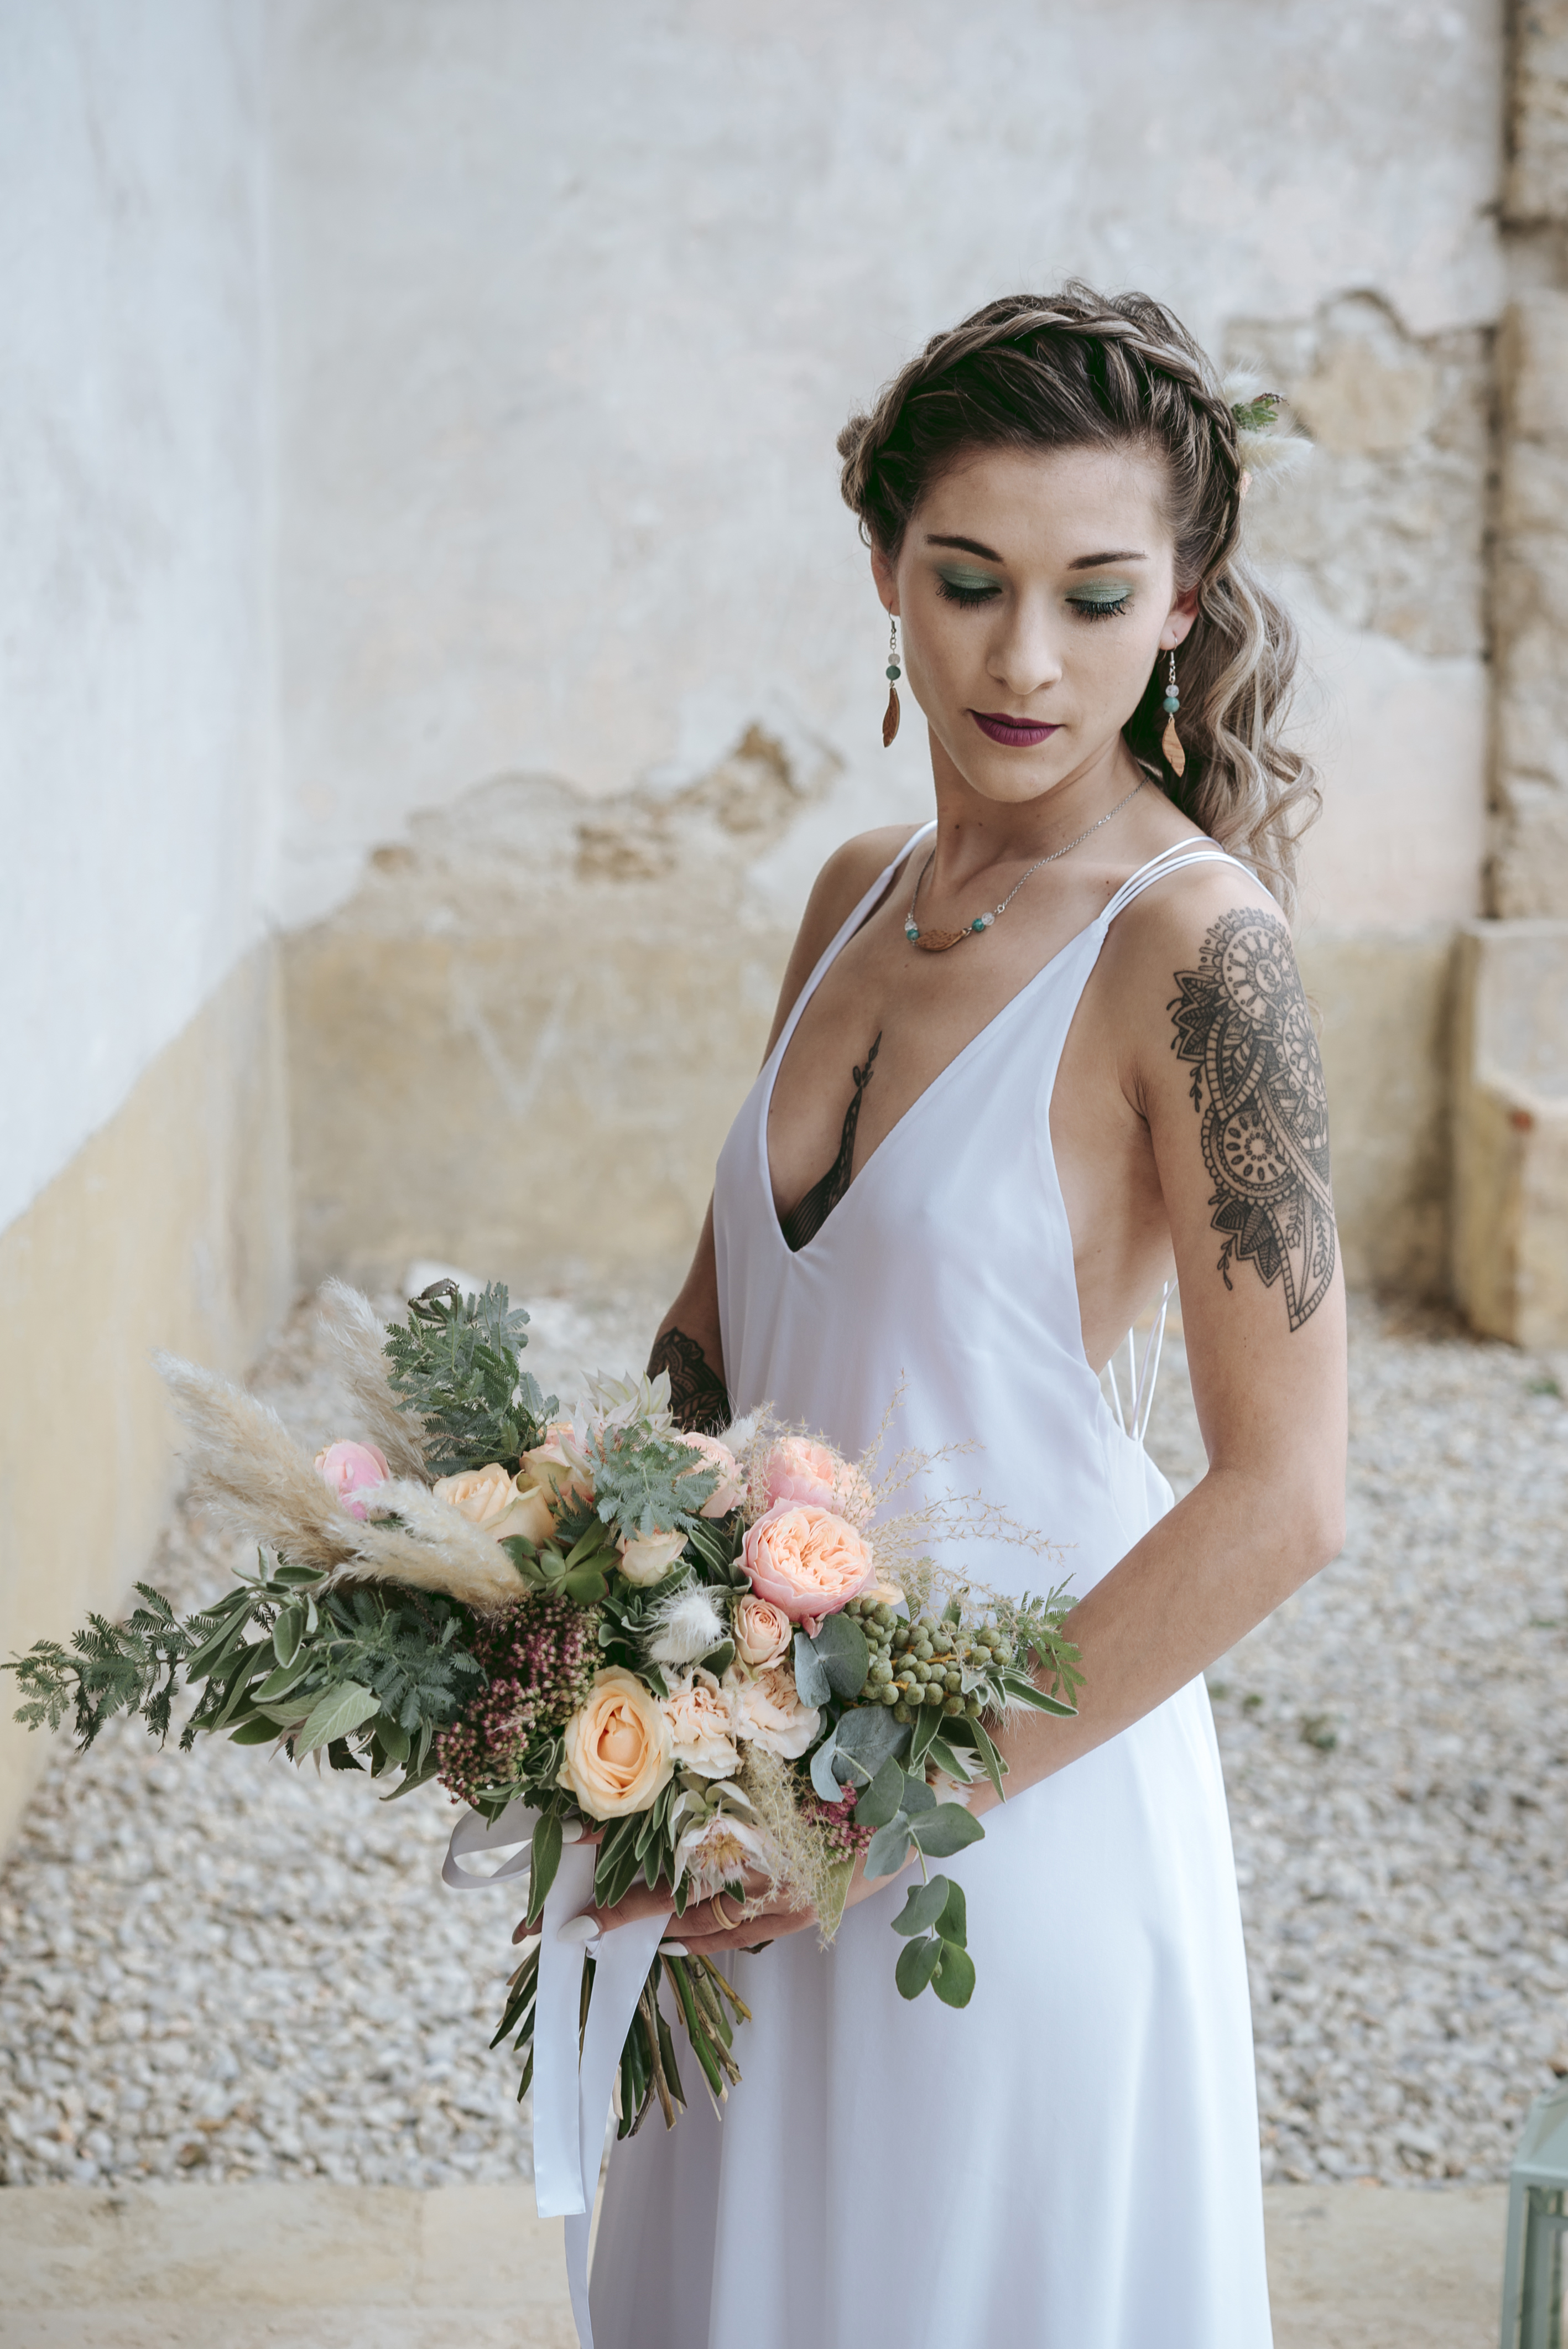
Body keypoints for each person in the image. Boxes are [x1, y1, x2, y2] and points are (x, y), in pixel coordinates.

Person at [584, 286, 1346, 2348]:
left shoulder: (1197, 953)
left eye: (1094, 597)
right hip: (746, 1781)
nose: (1024, 661)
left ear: (1179, 602)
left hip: (1006, 1813)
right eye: (969, 581)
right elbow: (720, 1329)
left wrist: (865, 1817)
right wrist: (595, 1629)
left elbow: (1284, 1497)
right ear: (882, 573)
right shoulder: (849, 888)